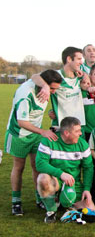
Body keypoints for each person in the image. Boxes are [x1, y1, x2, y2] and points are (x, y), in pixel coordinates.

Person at [5, 70, 62, 215]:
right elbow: (22, 122)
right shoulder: (25, 94)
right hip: (19, 133)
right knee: (19, 167)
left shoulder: (43, 85)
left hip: (35, 132)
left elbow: (36, 75)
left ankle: (40, 198)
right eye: (53, 88)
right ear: (45, 84)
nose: (54, 92)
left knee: (38, 165)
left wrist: (46, 88)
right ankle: (16, 202)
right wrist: (43, 132)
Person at [36, 117, 95, 223]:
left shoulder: (83, 144)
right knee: (42, 178)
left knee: (91, 213)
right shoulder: (48, 141)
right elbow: (40, 164)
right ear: (67, 133)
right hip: (56, 180)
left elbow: (88, 168)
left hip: (73, 183)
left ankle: (66, 203)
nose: (80, 134)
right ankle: (51, 211)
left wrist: (86, 189)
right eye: (77, 131)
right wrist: (61, 174)